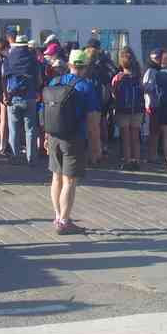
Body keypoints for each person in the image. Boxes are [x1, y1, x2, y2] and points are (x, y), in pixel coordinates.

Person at [44, 50, 100, 235]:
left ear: (69, 65)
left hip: (54, 135)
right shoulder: (86, 86)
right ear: (85, 67)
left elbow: (47, 112)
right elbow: (93, 121)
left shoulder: (54, 82)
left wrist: (46, 136)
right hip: (74, 137)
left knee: (56, 177)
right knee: (69, 181)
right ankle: (64, 221)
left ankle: (57, 216)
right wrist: (95, 146)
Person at [4, 34, 41, 166]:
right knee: (30, 130)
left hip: (13, 97)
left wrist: (5, 95)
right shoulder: (32, 59)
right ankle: (31, 159)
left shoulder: (9, 58)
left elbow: (4, 78)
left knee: (14, 129)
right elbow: (38, 79)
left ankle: (15, 157)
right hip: (29, 97)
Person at [111, 47, 144, 171]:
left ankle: (127, 161)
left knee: (125, 138)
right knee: (135, 137)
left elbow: (113, 94)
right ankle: (137, 161)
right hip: (137, 110)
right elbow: (142, 91)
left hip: (123, 111)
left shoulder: (117, 77)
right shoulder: (139, 77)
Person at [141, 49, 162, 164]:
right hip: (152, 105)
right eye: (158, 58)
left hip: (156, 104)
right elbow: (146, 87)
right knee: (153, 131)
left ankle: (154, 153)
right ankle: (152, 155)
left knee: (156, 130)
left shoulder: (155, 69)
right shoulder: (151, 70)